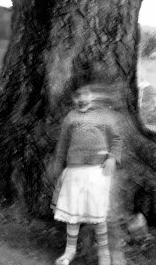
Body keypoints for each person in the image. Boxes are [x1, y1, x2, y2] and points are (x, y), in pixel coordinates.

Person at [50, 83, 123, 265]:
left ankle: (104, 255)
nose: (82, 99)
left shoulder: (105, 117)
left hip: (97, 172)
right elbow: (63, 142)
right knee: (72, 213)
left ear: (93, 96)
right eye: (78, 96)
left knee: (98, 215)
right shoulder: (71, 118)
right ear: (73, 98)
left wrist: (112, 158)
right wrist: (58, 163)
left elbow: (116, 139)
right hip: (74, 171)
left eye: (86, 94)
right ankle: (69, 251)